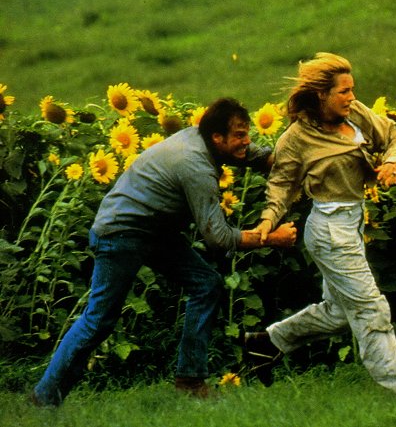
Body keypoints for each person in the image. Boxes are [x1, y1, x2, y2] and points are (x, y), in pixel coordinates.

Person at [31, 97, 297, 406]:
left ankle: (190, 381)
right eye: (239, 135)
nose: (246, 141)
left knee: (206, 284)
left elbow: (248, 155)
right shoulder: (195, 165)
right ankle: (44, 398)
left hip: (153, 231)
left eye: (247, 133)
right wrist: (272, 237)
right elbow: (219, 239)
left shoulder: (203, 138)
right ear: (216, 137)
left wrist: (285, 158)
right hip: (120, 233)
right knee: (99, 319)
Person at [250, 52, 396, 394]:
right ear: (321, 95)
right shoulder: (296, 138)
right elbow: (280, 185)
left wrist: (393, 163)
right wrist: (267, 221)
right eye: (343, 91)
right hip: (328, 230)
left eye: (352, 89)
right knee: (371, 307)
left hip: (352, 223)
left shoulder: (355, 114)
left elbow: (395, 138)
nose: (351, 97)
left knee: (339, 314)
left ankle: (266, 343)